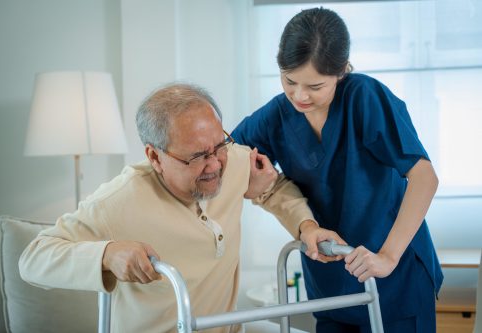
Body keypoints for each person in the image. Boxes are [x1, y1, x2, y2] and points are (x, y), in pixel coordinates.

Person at [19, 83, 332, 333]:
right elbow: (33, 258)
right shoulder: (117, 201)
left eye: (219, 146)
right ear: (155, 157)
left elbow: (273, 187)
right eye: (196, 156)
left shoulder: (231, 160)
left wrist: (306, 226)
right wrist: (107, 254)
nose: (214, 165)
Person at [232, 7, 443, 333]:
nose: (299, 95)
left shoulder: (364, 98)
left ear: (342, 71)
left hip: (395, 277)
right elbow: (225, 156)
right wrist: (251, 179)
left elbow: (424, 177)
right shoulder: (276, 116)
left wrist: (387, 257)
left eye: (315, 86)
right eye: (290, 80)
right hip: (330, 281)